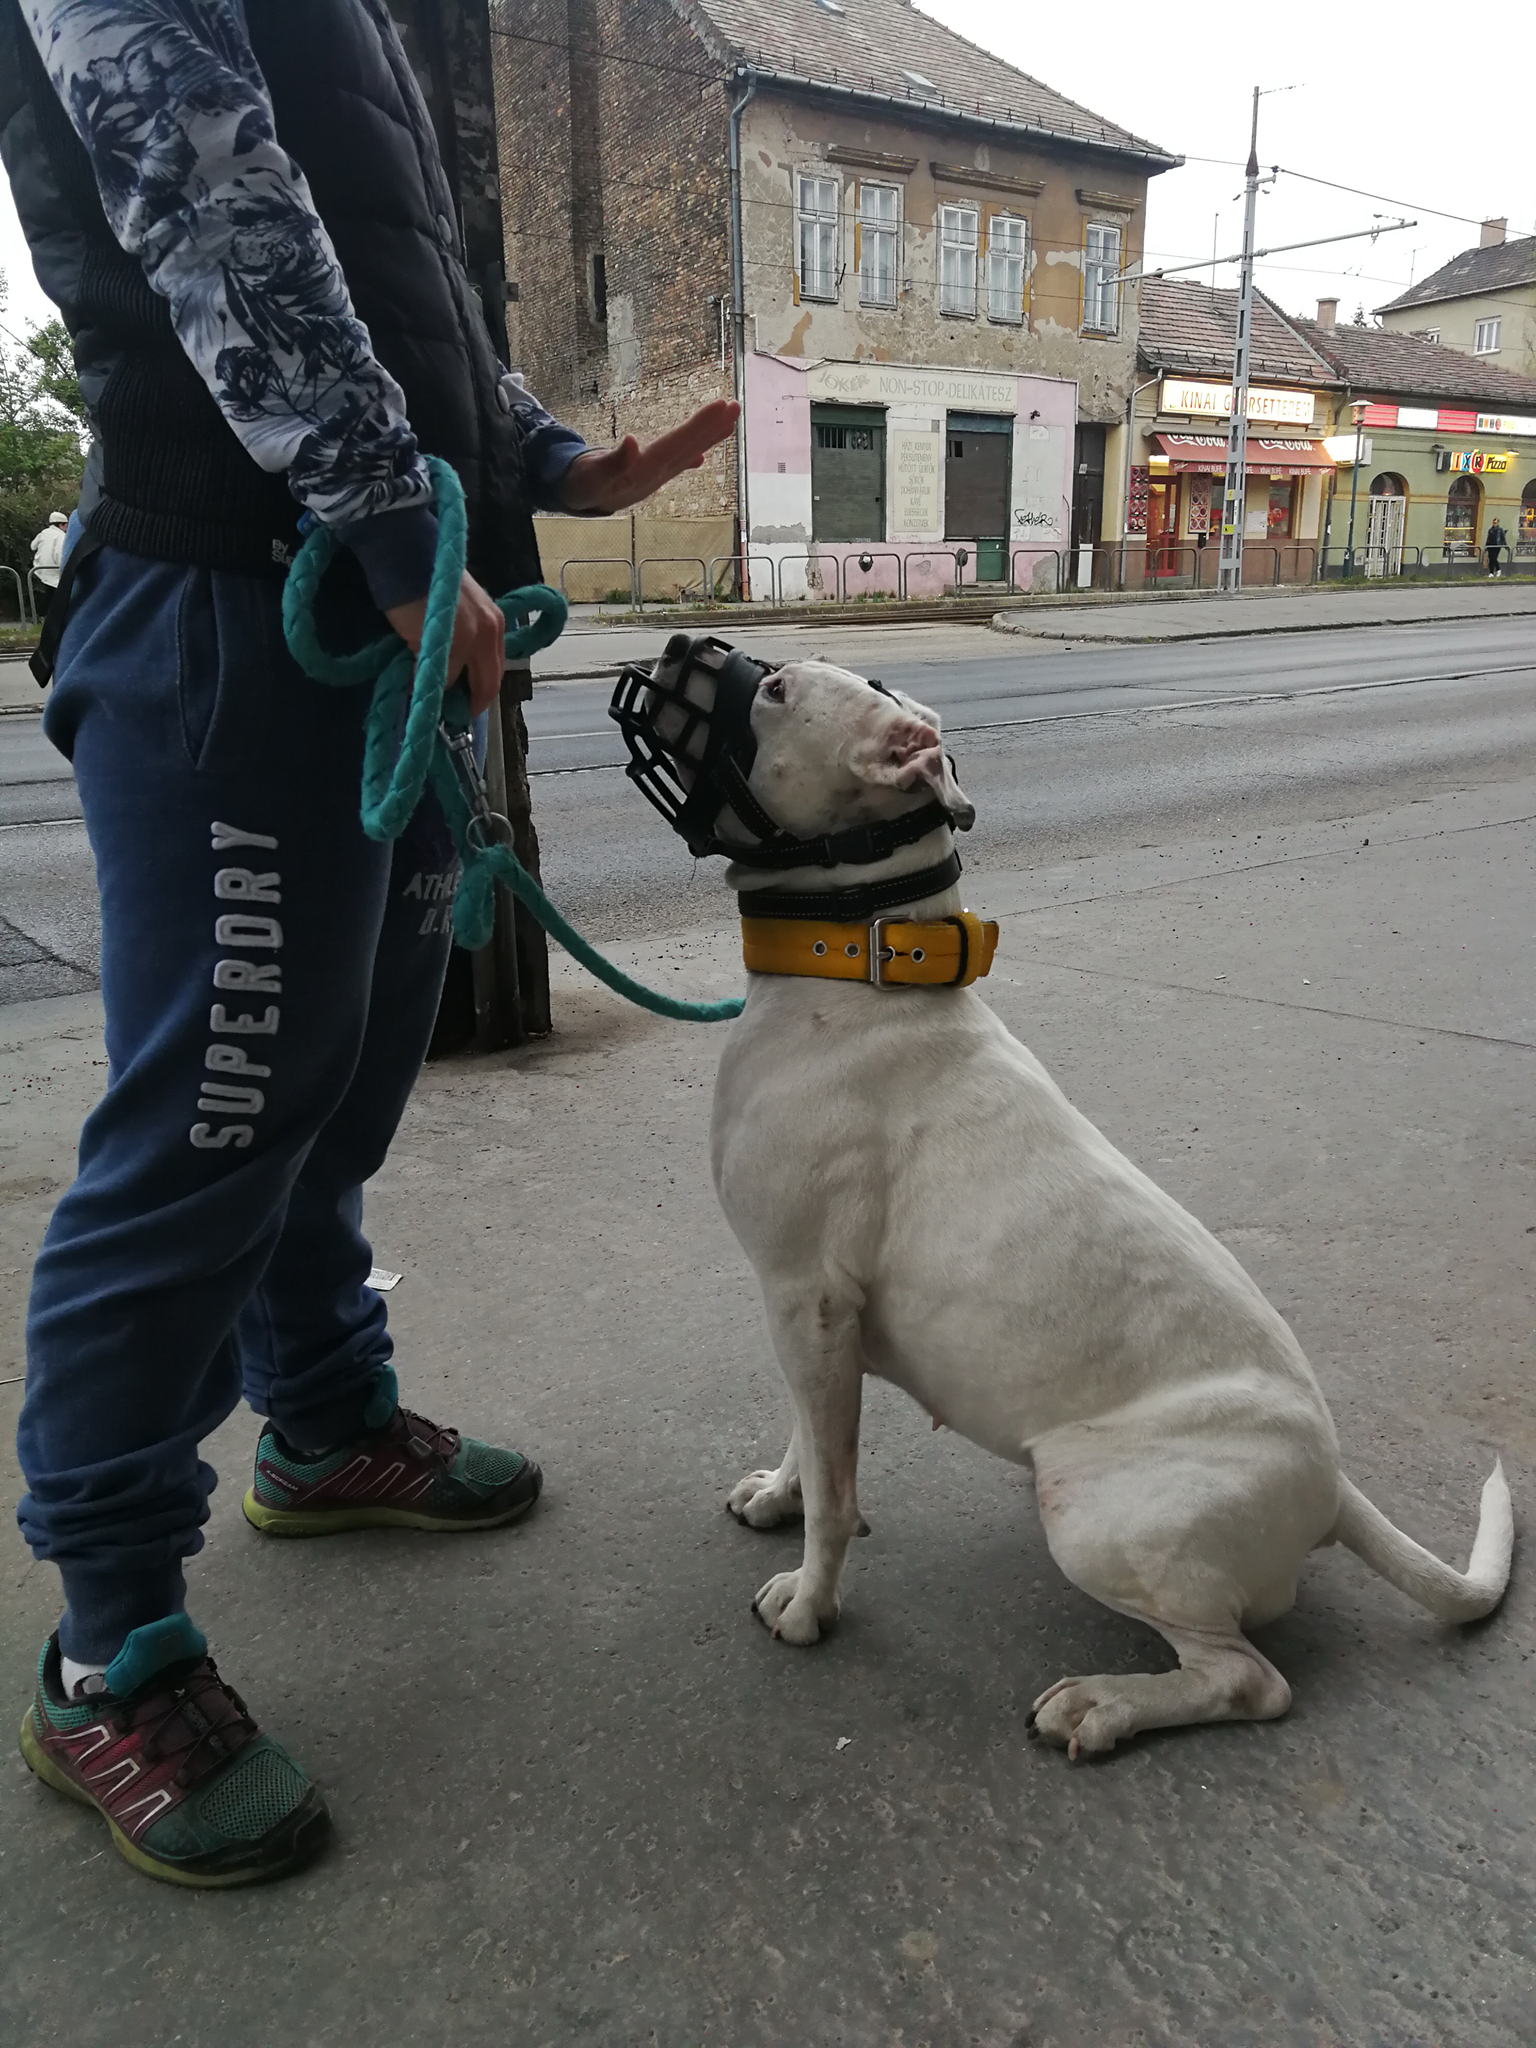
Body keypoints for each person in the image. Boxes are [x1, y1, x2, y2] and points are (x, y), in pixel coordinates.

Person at [1, 0, 736, 1888]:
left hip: (388, 577)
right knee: (212, 1122)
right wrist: (391, 521)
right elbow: (200, 175)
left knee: (338, 1086)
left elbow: (389, 266)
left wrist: (543, 463)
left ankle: (319, 1424)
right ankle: (110, 1644)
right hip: (251, 600)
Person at [28, 510, 68, 615]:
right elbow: (59, 553)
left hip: (39, 569)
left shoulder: (43, 533)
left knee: (47, 594)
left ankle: (41, 615)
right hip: (54, 570)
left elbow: (32, 546)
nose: (67, 528)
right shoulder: (61, 536)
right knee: (55, 595)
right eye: (66, 525)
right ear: (61, 525)